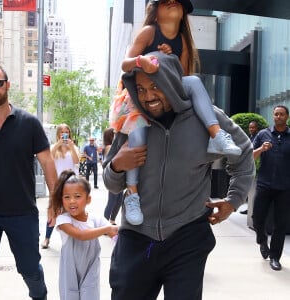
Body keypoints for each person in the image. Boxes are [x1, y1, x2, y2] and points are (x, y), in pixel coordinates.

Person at [103, 52, 255, 300]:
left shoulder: (206, 119)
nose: (148, 96)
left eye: (155, 86)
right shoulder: (131, 121)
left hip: (187, 237)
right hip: (136, 238)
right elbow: (111, 183)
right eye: (140, 89)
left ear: (172, 82)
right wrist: (118, 165)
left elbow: (244, 152)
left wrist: (233, 200)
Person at [111, 0, 241, 226]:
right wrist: (145, 61)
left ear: (183, 13)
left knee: (193, 81)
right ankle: (132, 193)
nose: (171, 4)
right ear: (155, 9)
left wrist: (168, 58)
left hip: (188, 229)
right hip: (135, 101)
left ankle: (216, 134)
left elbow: (178, 76)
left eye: (176, 2)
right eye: (165, 1)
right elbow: (126, 63)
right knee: (137, 141)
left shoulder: (182, 41)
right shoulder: (149, 31)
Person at [0, 64, 57, 300]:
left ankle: (39, 296)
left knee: (29, 269)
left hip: (22, 211)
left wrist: (54, 202)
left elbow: (48, 162)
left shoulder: (29, 123)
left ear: (7, 85)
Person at [51, 170, 118, 300]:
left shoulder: (95, 219)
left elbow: (114, 235)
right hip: (70, 273)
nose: (71, 201)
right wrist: (109, 228)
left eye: (77, 196)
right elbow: (81, 235)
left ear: (88, 199)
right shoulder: (63, 220)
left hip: (90, 271)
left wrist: (117, 234)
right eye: (67, 197)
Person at [252, 105, 290, 271]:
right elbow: (250, 156)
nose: (279, 116)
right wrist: (261, 149)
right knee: (257, 218)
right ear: (273, 116)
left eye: (282, 114)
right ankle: (262, 240)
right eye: (276, 114)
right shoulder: (262, 134)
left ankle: (275, 257)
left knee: (280, 224)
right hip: (264, 184)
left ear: (287, 117)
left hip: (285, 187)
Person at [41, 123, 80, 249]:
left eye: (66, 131)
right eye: (62, 131)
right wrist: (58, 145)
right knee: (53, 211)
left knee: (72, 210)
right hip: (57, 184)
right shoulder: (53, 147)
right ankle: (47, 238)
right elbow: (48, 159)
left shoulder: (73, 147)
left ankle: (72, 238)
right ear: (58, 134)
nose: (64, 134)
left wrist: (71, 146)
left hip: (71, 184)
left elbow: (76, 161)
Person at [102, 128, 123, 225]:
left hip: (117, 176)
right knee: (112, 201)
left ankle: (112, 219)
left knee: (118, 200)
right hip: (112, 177)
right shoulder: (109, 147)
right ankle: (104, 223)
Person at [240, 120, 260, 214]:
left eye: (253, 127)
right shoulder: (251, 137)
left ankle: (251, 209)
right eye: (250, 127)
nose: (251, 129)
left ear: (257, 128)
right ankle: (249, 208)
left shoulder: (258, 137)